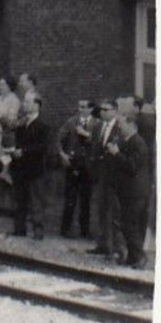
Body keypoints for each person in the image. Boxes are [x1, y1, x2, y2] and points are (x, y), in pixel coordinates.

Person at [109, 114, 150, 268]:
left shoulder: (138, 143)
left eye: (122, 124)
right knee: (127, 224)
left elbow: (132, 166)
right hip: (128, 191)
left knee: (130, 224)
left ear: (132, 126)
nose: (119, 127)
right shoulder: (127, 141)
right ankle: (133, 257)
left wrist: (116, 154)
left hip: (135, 193)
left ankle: (140, 256)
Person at [8, 97, 51, 239]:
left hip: (35, 169)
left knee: (36, 201)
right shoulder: (21, 123)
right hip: (20, 168)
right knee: (20, 200)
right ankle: (19, 229)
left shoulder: (43, 125)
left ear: (37, 105)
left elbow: (43, 147)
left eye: (27, 102)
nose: (24, 104)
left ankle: (38, 232)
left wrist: (24, 151)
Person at [57, 99, 96, 238]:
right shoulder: (71, 122)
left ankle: (84, 231)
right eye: (79, 106)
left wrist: (86, 134)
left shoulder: (96, 124)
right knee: (70, 198)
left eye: (84, 107)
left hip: (88, 167)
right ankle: (65, 229)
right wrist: (62, 154)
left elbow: (98, 142)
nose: (81, 109)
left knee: (86, 200)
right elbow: (59, 139)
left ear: (91, 109)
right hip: (73, 164)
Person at [88, 99, 121, 258]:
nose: (103, 112)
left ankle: (114, 247)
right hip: (100, 175)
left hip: (114, 176)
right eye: (101, 109)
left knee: (113, 212)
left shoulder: (119, 128)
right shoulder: (97, 127)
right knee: (100, 209)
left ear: (114, 110)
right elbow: (94, 149)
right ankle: (101, 244)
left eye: (107, 109)